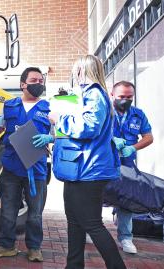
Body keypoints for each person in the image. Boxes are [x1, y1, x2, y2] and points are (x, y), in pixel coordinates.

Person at [49, 55, 127, 269]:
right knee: (75, 222)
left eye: (77, 70)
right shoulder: (90, 94)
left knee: (92, 224)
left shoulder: (94, 94)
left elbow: (88, 128)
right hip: (80, 170)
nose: (75, 75)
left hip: (88, 171)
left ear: (84, 71)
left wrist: (60, 119)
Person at [0, 67, 52, 262]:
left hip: (36, 168)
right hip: (11, 166)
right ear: (23, 84)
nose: (38, 84)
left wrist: (51, 137)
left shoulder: (48, 108)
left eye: (41, 81)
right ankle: (6, 245)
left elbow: (63, 132)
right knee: (8, 211)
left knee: (34, 214)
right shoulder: (8, 106)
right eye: (34, 80)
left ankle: (34, 248)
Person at [111, 80, 153, 254]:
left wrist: (132, 147)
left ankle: (126, 238)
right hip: (105, 162)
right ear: (112, 95)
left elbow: (148, 137)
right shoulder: (104, 112)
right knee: (97, 196)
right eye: (122, 96)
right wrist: (111, 140)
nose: (126, 100)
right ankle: (92, 231)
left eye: (130, 97)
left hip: (127, 163)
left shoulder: (138, 114)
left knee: (127, 199)